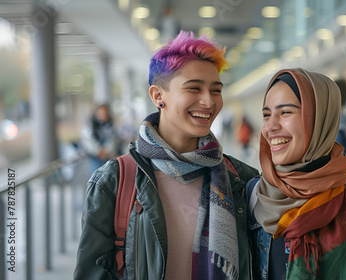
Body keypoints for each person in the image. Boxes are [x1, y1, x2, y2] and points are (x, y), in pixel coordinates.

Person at [74, 31, 258, 280]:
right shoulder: (114, 181)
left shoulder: (242, 180)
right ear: (158, 96)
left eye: (216, 91)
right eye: (194, 88)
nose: (208, 101)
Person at [248, 68, 346, 279]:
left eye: (285, 112)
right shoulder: (253, 196)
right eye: (266, 115)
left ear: (319, 118)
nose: (270, 127)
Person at [80, 103, 119, 174]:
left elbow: (113, 139)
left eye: (105, 112)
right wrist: (98, 151)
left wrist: (107, 150)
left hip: (108, 156)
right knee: (96, 175)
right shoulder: (90, 124)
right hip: (95, 156)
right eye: (101, 112)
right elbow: (87, 140)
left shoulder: (110, 125)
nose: (103, 114)